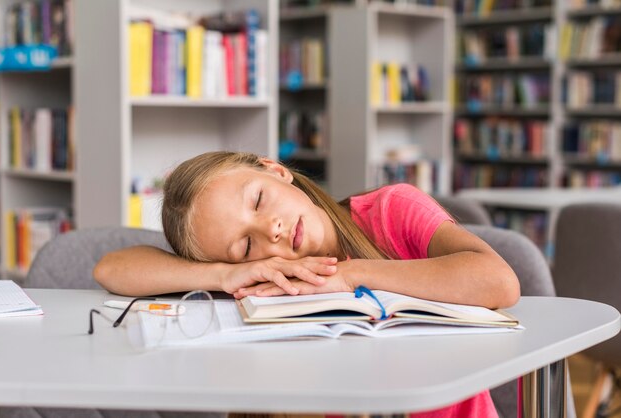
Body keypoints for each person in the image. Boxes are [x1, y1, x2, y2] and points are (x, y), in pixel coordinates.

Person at [94, 151, 520, 417]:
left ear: (277, 171)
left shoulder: (390, 211)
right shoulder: (262, 278)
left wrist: (349, 274)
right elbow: (112, 269)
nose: (271, 231)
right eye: (245, 245)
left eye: (259, 201)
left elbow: (498, 281)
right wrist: (222, 274)